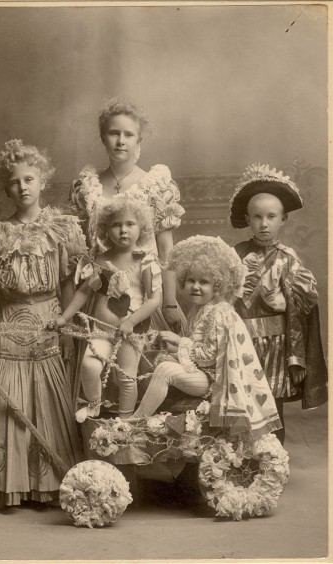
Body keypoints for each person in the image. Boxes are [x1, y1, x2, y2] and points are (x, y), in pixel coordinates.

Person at [0, 139, 87, 509]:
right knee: (6, 403)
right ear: (6, 188)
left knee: (46, 404)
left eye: (29, 178)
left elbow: (69, 282)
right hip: (7, 326)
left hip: (49, 324)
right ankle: (9, 486)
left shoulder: (62, 228)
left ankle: (48, 485)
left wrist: (68, 330)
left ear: (42, 182)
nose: (22, 187)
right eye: (14, 181)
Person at [133, 235, 282, 441]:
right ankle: (144, 417)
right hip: (199, 372)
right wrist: (167, 344)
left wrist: (179, 342)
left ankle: (136, 422)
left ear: (217, 287)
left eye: (204, 282)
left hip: (214, 380)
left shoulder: (219, 312)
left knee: (165, 369)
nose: (195, 286)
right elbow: (194, 348)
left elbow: (208, 356)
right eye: (191, 281)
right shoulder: (199, 309)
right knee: (157, 359)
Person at [229, 163, 328, 444]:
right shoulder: (236, 255)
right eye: (257, 217)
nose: (264, 224)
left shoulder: (288, 258)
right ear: (248, 219)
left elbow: (306, 303)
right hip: (243, 340)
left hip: (276, 342)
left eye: (271, 216)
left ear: (283, 219)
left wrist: (286, 303)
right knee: (243, 399)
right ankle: (244, 457)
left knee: (272, 402)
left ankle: (274, 458)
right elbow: (223, 295)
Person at [69, 98, 185, 334]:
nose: (121, 141)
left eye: (129, 135)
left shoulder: (156, 186)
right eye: (114, 133)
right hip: (99, 297)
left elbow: (166, 251)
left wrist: (170, 302)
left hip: (147, 295)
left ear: (139, 139)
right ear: (103, 137)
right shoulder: (87, 187)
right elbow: (83, 251)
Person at [56, 195, 162, 422]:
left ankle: (124, 422)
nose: (123, 230)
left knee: (126, 377)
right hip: (101, 330)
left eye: (129, 224)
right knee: (90, 364)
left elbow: (154, 300)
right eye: (116, 225)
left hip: (131, 332)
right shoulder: (101, 261)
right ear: (106, 229)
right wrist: (65, 317)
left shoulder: (145, 261)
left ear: (140, 227)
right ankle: (94, 404)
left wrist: (131, 322)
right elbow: (85, 291)